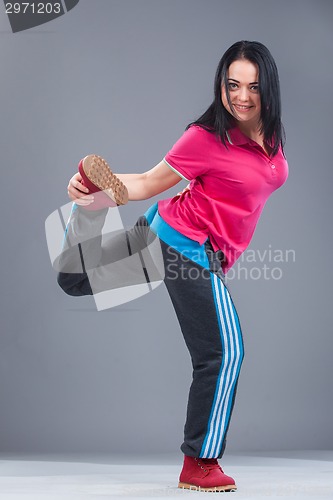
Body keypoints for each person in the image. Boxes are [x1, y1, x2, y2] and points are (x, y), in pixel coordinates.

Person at [57, 40, 288, 492]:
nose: (242, 96)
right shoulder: (205, 138)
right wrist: (103, 184)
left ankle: (87, 209)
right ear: (221, 85)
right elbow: (146, 181)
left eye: (253, 86)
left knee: (74, 279)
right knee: (225, 351)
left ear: (269, 89)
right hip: (188, 247)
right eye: (232, 84)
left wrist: (94, 198)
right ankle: (200, 464)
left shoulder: (272, 139)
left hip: (166, 235)